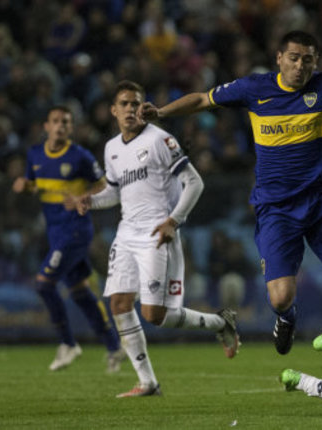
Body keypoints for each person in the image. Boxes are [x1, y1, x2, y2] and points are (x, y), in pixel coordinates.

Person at [139, 30, 322, 355]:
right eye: (293, 58)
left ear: (316, 61)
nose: (300, 66)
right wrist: (162, 113)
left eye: (307, 59)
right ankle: (286, 317)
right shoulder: (255, 88)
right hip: (276, 208)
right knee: (281, 297)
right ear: (279, 58)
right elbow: (202, 99)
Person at [69, 80, 239, 397]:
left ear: (142, 107)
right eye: (124, 104)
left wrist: (173, 220)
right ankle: (147, 382)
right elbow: (116, 194)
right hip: (126, 232)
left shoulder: (161, 139)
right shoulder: (112, 148)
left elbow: (195, 183)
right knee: (119, 302)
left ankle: (220, 322)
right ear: (113, 111)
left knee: (155, 316)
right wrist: (90, 201)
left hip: (157, 232)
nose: (130, 109)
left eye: (136, 103)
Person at [12, 105, 126, 373]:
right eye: (56, 121)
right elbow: (33, 183)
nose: (61, 126)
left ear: (71, 128)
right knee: (79, 291)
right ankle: (114, 346)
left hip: (76, 229)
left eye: (66, 122)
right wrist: (23, 186)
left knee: (43, 284)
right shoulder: (35, 155)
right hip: (55, 231)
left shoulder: (80, 157)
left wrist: (82, 197)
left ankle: (67, 343)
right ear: (46, 126)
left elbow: (104, 184)